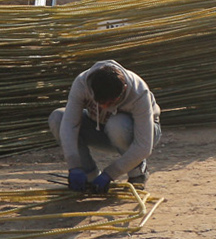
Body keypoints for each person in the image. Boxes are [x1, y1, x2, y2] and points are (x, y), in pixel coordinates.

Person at [49, 59, 160, 192]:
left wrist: (110, 174)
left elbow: (144, 146)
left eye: (109, 102)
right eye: (99, 102)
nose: (104, 107)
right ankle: (89, 177)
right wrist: (75, 166)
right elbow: (69, 125)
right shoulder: (82, 83)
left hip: (138, 134)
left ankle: (137, 173)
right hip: (101, 129)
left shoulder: (139, 92)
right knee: (58, 118)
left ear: (124, 89)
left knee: (117, 124)